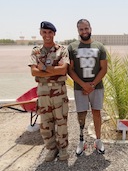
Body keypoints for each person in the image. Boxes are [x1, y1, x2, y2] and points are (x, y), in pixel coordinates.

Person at [29, 21, 70, 162]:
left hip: (59, 90)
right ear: (41, 33)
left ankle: (63, 148)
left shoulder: (62, 50)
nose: (47, 35)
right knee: (46, 123)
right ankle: (51, 149)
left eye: (50, 32)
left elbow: (64, 70)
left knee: (61, 121)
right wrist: (54, 70)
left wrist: (44, 69)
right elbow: (34, 72)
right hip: (43, 92)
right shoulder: (36, 51)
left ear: (54, 34)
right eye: (44, 32)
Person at [68, 19, 107, 155]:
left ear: (91, 28)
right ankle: (81, 140)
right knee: (81, 114)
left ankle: (98, 140)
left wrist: (92, 85)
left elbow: (103, 69)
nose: (84, 32)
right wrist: (83, 84)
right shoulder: (72, 47)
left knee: (97, 112)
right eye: (81, 29)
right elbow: (70, 69)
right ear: (78, 31)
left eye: (86, 28)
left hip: (97, 87)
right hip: (80, 88)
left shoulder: (99, 46)